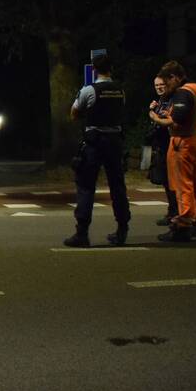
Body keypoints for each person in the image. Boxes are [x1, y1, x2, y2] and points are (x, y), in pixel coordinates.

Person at [63, 54, 131, 247]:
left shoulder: (89, 90)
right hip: (115, 141)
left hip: (94, 142)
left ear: (94, 69)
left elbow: (74, 113)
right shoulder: (120, 90)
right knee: (118, 186)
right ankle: (122, 230)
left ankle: (82, 233)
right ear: (112, 68)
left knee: (86, 186)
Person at [149, 61, 196, 242]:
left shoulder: (183, 93)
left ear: (174, 78)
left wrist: (156, 118)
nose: (166, 86)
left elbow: (177, 119)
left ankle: (183, 225)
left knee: (183, 184)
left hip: (182, 142)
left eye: (167, 82)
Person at [146, 75, 178, 226]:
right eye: (156, 85)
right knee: (166, 181)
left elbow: (169, 121)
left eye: (161, 85)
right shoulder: (160, 102)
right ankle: (173, 211)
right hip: (161, 146)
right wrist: (152, 110)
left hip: (170, 145)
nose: (158, 88)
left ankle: (176, 213)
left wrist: (157, 116)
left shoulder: (173, 101)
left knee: (172, 182)